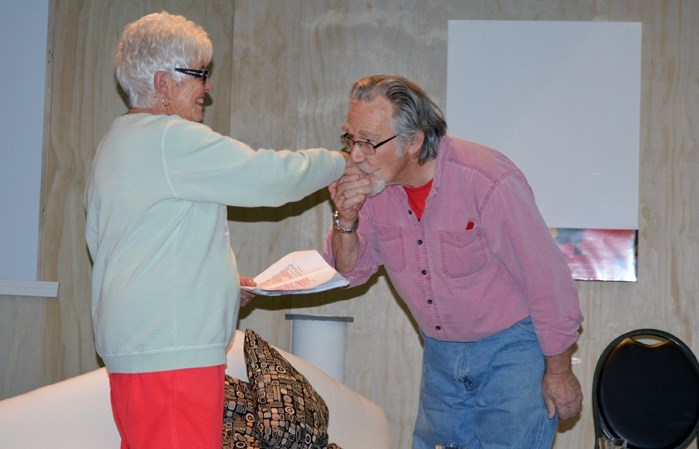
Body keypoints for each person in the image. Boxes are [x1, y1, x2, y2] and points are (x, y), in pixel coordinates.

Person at [84, 12, 351, 449]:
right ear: (162, 83)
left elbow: (134, 251)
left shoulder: (114, 144)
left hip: (143, 352)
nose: (208, 87)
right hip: (171, 357)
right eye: (199, 74)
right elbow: (270, 176)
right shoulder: (170, 139)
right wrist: (343, 162)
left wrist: (224, 288)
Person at [324, 75, 584, 449]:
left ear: (413, 141)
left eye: (368, 142)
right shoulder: (374, 187)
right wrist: (345, 219)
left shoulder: (487, 179)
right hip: (440, 353)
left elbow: (547, 280)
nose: (356, 155)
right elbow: (350, 271)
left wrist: (558, 370)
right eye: (350, 138)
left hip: (511, 352)